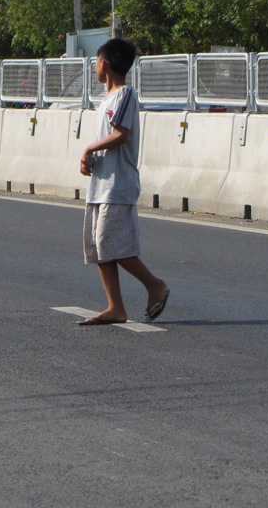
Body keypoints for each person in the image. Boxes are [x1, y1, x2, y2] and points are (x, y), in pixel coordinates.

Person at [77, 38, 168, 326]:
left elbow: (121, 134)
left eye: (96, 60)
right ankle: (115, 307)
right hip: (101, 184)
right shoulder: (105, 100)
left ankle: (155, 285)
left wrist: (90, 149)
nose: (95, 66)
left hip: (118, 184)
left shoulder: (125, 94)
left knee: (114, 246)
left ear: (105, 63)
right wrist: (91, 159)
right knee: (98, 246)